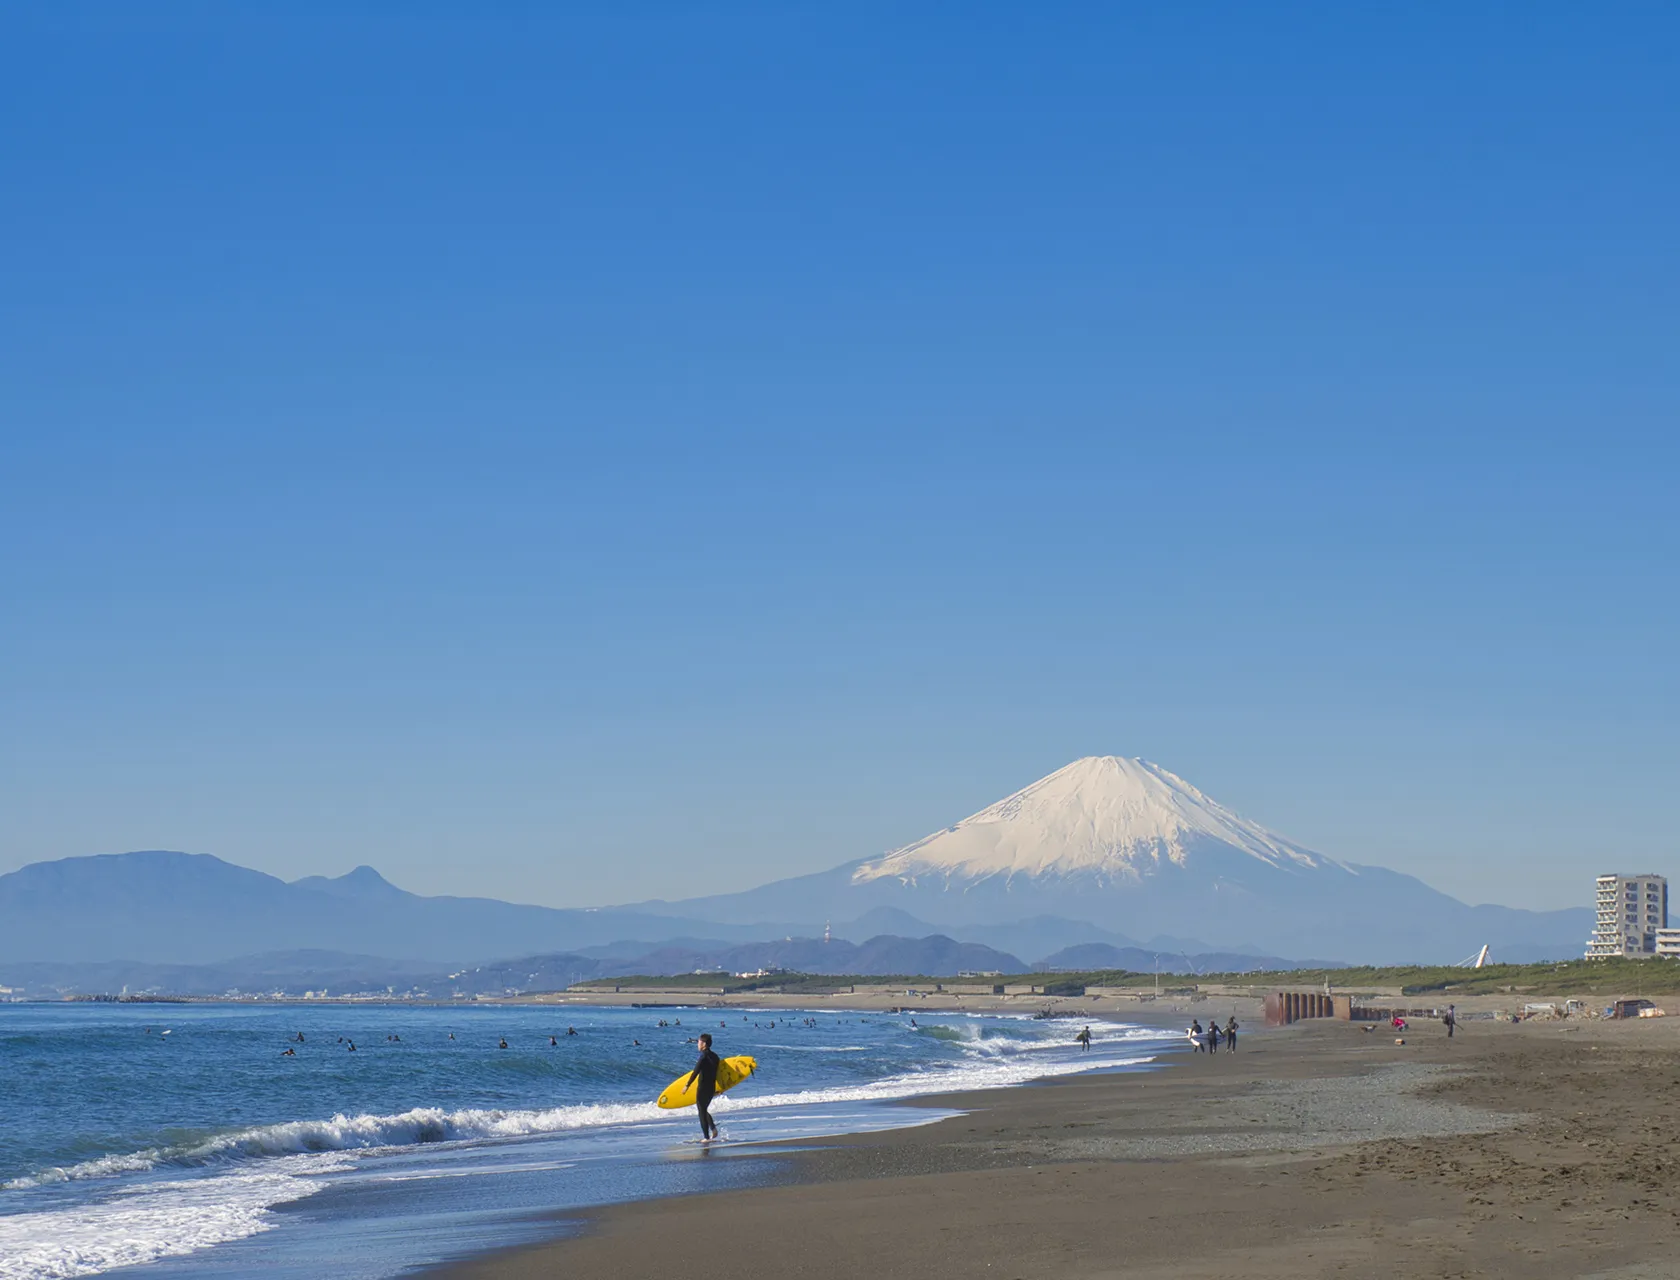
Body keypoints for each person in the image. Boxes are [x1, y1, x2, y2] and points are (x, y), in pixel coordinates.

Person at [686, 1032, 722, 1142]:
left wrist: (687, 1085)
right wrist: (720, 1088)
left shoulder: (703, 1057)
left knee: (701, 1111)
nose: (698, 1044)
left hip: (702, 1087)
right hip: (711, 1087)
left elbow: (696, 1072)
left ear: (704, 1044)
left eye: (699, 1042)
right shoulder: (715, 1056)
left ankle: (706, 1137)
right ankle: (713, 1129)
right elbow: (718, 1073)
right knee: (704, 1109)